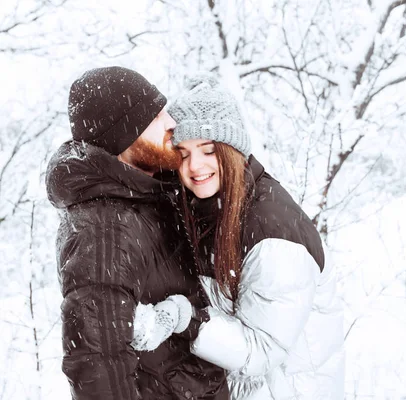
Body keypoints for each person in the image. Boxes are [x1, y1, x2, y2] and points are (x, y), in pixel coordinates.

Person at [132, 74, 345, 399]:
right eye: (184, 154)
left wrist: (186, 318)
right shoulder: (208, 206)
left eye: (208, 150)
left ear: (232, 151)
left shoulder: (272, 233)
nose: (195, 166)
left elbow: (261, 350)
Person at [46, 66, 229, 400]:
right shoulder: (104, 230)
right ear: (124, 136)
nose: (171, 122)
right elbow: (97, 365)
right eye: (155, 116)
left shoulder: (148, 194)